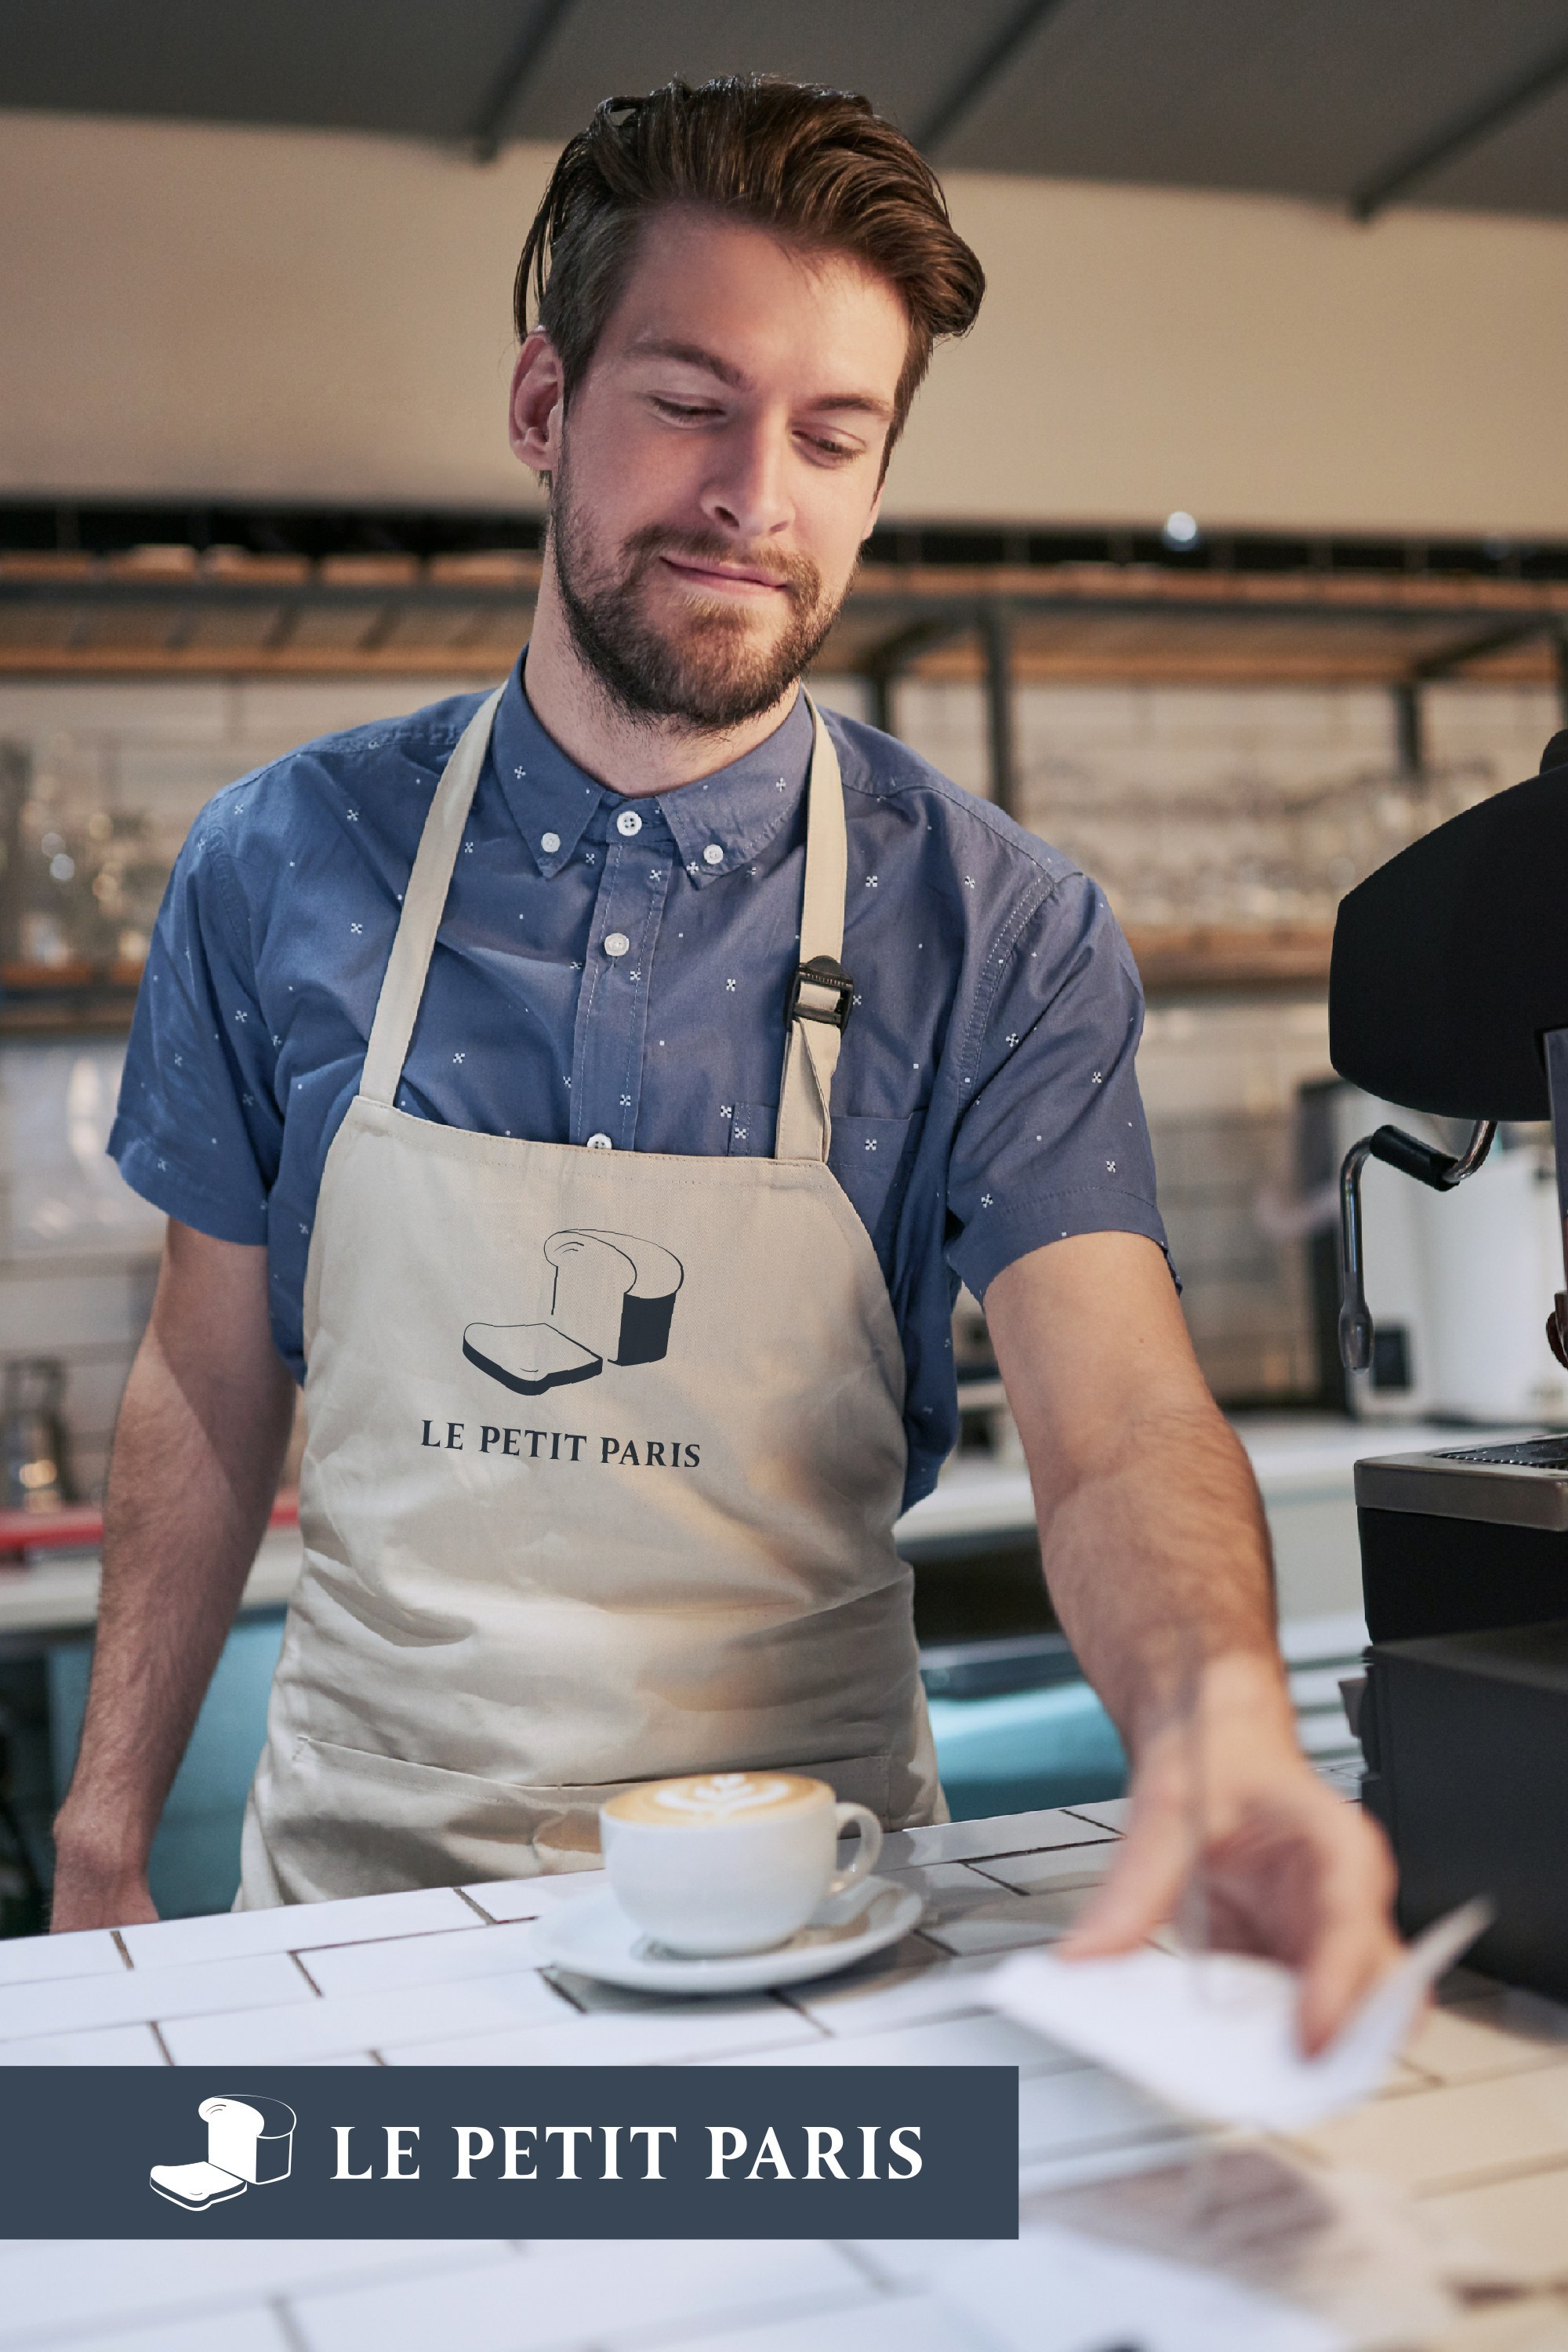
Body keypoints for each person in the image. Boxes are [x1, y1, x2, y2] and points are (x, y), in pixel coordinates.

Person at [51, 76, 1396, 2047]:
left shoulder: (997, 926)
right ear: (543, 408)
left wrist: (1219, 1723)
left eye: (832, 435)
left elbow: (1116, 1423)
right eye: (690, 400)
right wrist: (100, 1823)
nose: (755, 493)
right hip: (352, 1929)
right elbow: (204, 1363)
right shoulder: (281, 863)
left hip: (818, 1947)